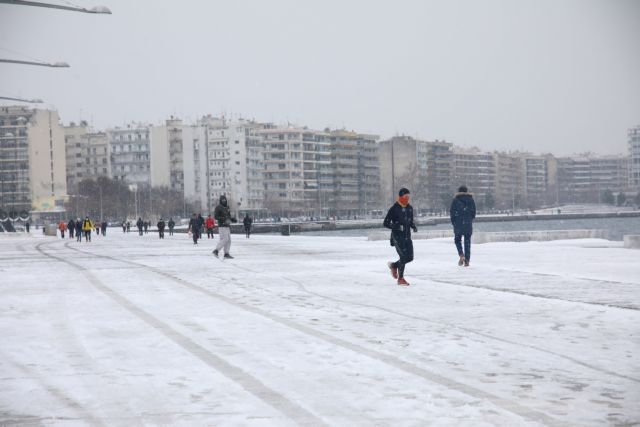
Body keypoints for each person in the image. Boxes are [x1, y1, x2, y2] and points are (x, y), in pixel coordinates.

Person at [383, 188, 417, 286]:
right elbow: (385, 223)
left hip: (407, 236)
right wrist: (396, 226)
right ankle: (400, 279)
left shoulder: (410, 208)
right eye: (405, 197)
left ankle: (394, 265)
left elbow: (410, 220)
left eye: (408, 197)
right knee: (403, 256)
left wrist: (413, 225)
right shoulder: (394, 208)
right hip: (397, 237)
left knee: (410, 257)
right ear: (401, 197)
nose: (407, 199)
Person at [450, 185, 476, 267]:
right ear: (466, 191)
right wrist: (469, 219)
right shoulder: (471, 200)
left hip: (458, 223)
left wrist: (454, 222)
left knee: (457, 240)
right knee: (467, 241)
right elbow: (473, 213)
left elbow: (452, 213)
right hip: (468, 223)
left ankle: (461, 255)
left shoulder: (455, 200)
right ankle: (467, 260)